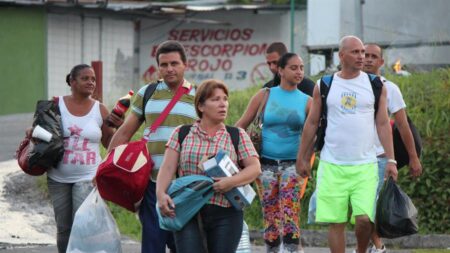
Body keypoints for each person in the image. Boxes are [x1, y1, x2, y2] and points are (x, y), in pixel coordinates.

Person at [296, 36, 398, 253]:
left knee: (364, 219)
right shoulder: (325, 84)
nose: (361, 56)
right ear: (341, 56)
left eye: (363, 52)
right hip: (332, 164)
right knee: (337, 222)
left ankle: (361, 250)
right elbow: (312, 122)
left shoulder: (376, 85)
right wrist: (301, 158)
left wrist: (391, 159)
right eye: (356, 52)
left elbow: (382, 123)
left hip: (366, 165)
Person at [107, 41, 197, 253]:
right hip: (152, 183)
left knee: (184, 245)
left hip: (187, 184)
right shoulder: (147, 92)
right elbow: (124, 132)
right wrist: (106, 168)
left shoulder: (199, 95)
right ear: (158, 67)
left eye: (174, 63)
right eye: (164, 65)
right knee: (153, 244)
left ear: (185, 64)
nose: (169, 69)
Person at [156, 79, 261, 253]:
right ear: (201, 106)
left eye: (225, 99)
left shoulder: (236, 135)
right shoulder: (182, 133)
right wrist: (160, 194)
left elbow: (254, 168)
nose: (223, 104)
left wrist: (231, 182)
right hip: (188, 209)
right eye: (215, 99)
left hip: (226, 212)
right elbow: (167, 168)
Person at [24, 64, 118, 253]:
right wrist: (33, 132)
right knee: (64, 228)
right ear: (72, 82)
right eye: (85, 78)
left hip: (88, 177)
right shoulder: (55, 104)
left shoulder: (100, 110)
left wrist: (117, 127)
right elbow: (37, 131)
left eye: (93, 79)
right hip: (57, 177)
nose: (91, 82)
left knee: (82, 226)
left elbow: (110, 143)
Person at [236, 53, 311, 253]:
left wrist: (306, 159)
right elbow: (240, 126)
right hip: (264, 164)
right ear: (281, 70)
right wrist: (231, 151)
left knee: (290, 211)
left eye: (302, 68)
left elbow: (314, 134)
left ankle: (292, 250)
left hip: (293, 165)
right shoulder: (265, 95)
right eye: (293, 67)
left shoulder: (307, 101)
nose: (299, 72)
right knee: (269, 212)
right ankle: (272, 250)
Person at [363, 43, 423, 253]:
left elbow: (403, 124)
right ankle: (373, 245)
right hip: (353, 158)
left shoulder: (390, 88)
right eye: (365, 55)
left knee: (368, 206)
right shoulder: (350, 86)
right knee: (361, 207)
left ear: (381, 62)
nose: (368, 59)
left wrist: (413, 158)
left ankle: (377, 246)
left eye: (373, 56)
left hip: (379, 158)